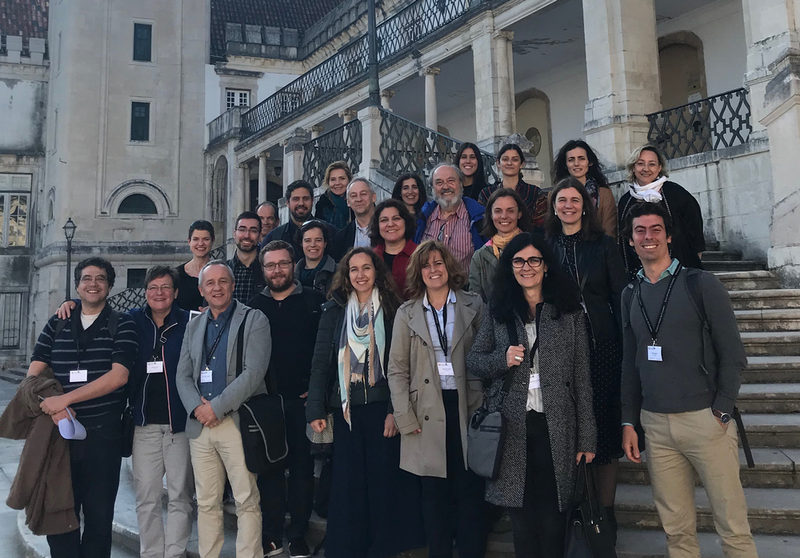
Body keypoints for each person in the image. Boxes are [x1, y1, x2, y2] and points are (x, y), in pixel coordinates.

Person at [620, 203, 757, 558]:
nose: (648, 237)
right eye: (639, 231)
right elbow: (630, 364)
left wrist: (722, 410)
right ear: (630, 240)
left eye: (655, 229)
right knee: (677, 532)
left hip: (705, 421)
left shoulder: (701, 284)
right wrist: (628, 421)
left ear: (668, 236)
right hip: (656, 426)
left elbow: (733, 354)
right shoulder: (630, 293)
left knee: (733, 527)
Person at [466, 233, 596, 558]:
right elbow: (475, 361)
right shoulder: (499, 312)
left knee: (553, 522)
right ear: (510, 268)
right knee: (522, 526)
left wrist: (587, 438)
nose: (527, 267)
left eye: (534, 260)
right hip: (512, 429)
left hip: (557, 428)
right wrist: (502, 359)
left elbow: (582, 378)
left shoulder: (569, 313)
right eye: (519, 261)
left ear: (546, 266)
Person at [56, 266, 195, 558]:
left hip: (180, 424)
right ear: (146, 292)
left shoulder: (191, 322)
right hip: (142, 424)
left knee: (181, 496)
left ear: (175, 292)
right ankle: (152, 554)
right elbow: (95, 307)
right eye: (153, 287)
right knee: (147, 498)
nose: (159, 293)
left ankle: (175, 553)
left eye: (165, 287)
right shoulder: (131, 321)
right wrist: (73, 302)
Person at [306, 248, 425, 558]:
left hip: (381, 408)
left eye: (366, 268)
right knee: (349, 485)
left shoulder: (393, 310)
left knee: (383, 483)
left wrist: (394, 412)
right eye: (354, 269)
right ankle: (349, 548)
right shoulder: (333, 310)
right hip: (346, 410)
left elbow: (402, 365)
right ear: (346, 275)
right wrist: (315, 408)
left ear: (377, 272)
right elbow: (321, 361)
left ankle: (383, 548)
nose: (360, 275)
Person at [29, 257, 139, 558]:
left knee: (99, 518)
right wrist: (51, 406)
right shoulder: (58, 322)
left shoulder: (123, 323)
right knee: (58, 514)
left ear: (110, 286)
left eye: (100, 278)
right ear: (77, 286)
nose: (93, 284)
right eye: (86, 278)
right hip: (59, 437)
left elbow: (119, 376)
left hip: (103, 437)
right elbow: (34, 374)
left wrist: (65, 400)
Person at [388, 240, 487, 558]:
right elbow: (397, 370)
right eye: (426, 265)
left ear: (449, 266)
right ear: (418, 272)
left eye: (438, 262)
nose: (433, 269)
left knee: (470, 490)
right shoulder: (407, 313)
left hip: (467, 407)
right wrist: (404, 416)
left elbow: (487, 355)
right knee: (433, 495)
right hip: (425, 411)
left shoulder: (474, 304)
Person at [545, 177, 628, 540]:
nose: (568, 206)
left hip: (601, 344)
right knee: (571, 426)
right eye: (561, 200)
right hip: (562, 347)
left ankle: (604, 515)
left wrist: (626, 344)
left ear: (585, 206)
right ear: (554, 206)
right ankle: (578, 508)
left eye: (574, 200)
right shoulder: (545, 247)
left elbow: (620, 294)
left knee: (603, 429)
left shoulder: (604, 245)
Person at [176, 260, 271, 558]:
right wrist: (197, 408)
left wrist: (216, 408)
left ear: (232, 285)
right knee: (206, 502)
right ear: (201, 290)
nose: (216, 288)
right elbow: (182, 375)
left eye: (222, 282)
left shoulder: (254, 319)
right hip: (200, 426)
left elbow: (253, 373)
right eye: (210, 283)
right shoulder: (194, 326)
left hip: (236, 422)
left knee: (246, 499)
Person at [248, 241, 327, 558]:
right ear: (263, 269)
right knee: (269, 471)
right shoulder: (254, 307)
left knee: (302, 470)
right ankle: (271, 534)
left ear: (294, 264)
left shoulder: (314, 301)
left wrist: (318, 391)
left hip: (303, 402)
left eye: (283, 263)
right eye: (271, 265)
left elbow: (327, 349)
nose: (277, 270)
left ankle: (297, 534)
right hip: (266, 403)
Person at [617, 144, 705, 278]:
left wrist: (694, 258)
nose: (646, 169)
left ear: (659, 168)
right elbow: (624, 237)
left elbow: (694, 227)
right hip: (639, 271)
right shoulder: (625, 201)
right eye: (640, 163)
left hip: (678, 268)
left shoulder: (675, 193)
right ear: (633, 167)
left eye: (652, 164)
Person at [414, 163, 485, 274]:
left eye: (451, 181)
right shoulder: (422, 219)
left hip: (466, 284)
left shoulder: (478, 219)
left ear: (460, 184)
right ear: (432, 188)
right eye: (439, 182)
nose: (446, 187)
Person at [469, 189, 531, 303]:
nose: (504, 216)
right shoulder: (479, 257)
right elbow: (475, 302)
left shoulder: (535, 248)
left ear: (519, 213)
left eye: (510, 211)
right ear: (490, 215)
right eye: (498, 211)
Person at [552, 139, 618, 239]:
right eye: (571, 160)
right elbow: (551, 229)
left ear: (590, 162)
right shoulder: (553, 195)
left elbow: (610, 231)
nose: (576, 163)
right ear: (565, 164)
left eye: (581, 158)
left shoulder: (604, 194)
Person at [478, 144, 548, 229]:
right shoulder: (486, 194)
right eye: (505, 159)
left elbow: (541, 227)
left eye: (515, 159)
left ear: (521, 164)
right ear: (498, 163)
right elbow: (483, 225)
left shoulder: (535, 193)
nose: (509, 163)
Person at [369, 198, 418, 298]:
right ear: (377, 226)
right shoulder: (370, 257)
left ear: (406, 222)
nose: (390, 224)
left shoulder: (420, 255)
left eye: (396, 218)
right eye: (384, 220)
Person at [264, 181, 321, 260]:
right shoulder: (273, 237)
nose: (301, 203)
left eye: (305, 199)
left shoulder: (329, 232)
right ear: (287, 203)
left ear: (312, 201)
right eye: (296, 199)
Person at [329, 177, 377, 261]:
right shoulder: (341, 237)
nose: (359, 199)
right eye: (354, 196)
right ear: (348, 202)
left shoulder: (387, 228)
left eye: (363, 194)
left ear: (373, 197)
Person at [228, 211, 266, 304]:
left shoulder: (268, 270)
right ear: (234, 234)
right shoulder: (223, 270)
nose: (247, 235)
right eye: (242, 230)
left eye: (253, 231)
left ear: (260, 236)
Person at [176, 220, 215, 312]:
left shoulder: (222, 272)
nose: (200, 243)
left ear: (212, 241)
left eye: (206, 239)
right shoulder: (177, 275)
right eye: (196, 239)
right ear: (189, 241)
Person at [294, 219, 336, 294]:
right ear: (301, 243)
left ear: (325, 243)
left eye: (318, 240)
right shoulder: (291, 275)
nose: (313, 245)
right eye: (307, 240)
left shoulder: (339, 273)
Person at [314, 161, 353, 231]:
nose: (337, 183)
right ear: (328, 182)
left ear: (349, 180)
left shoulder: (357, 200)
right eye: (333, 179)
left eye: (342, 178)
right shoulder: (322, 204)